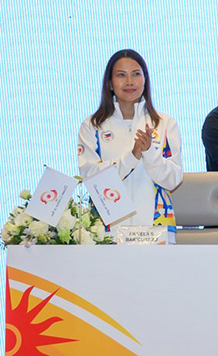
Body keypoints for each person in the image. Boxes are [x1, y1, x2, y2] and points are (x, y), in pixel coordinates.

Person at [76, 49, 184, 226]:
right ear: (110, 83)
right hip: (107, 230)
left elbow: (173, 180)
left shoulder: (164, 123)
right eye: (121, 75)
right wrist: (131, 157)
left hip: (155, 228)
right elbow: (90, 177)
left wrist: (149, 152)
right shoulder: (92, 125)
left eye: (136, 74)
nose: (129, 82)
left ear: (145, 80)